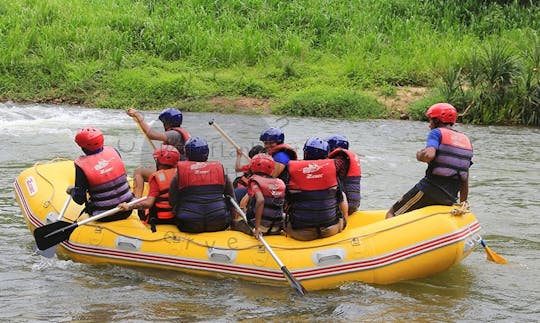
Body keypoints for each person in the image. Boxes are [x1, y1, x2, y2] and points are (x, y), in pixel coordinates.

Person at [386, 103, 473, 219]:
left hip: (430, 189)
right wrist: (463, 202)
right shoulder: (466, 140)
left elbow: (429, 155)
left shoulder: (436, 133)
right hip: (450, 197)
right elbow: (465, 177)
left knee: (392, 213)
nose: (429, 125)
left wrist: (419, 155)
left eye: (431, 120)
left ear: (437, 120)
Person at [285, 137, 348, 241]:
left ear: (305, 154)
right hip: (331, 230)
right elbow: (341, 199)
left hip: (302, 234)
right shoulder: (331, 170)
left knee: (282, 217)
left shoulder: (293, 171)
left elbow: (286, 202)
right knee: (341, 196)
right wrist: (344, 220)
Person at [168, 136, 235, 233]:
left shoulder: (179, 173)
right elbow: (231, 199)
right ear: (207, 153)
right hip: (218, 223)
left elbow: (172, 201)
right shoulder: (220, 170)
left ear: (186, 153)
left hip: (188, 224)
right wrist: (233, 220)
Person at [67, 127, 134, 222]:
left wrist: (72, 191)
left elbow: (79, 200)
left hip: (104, 215)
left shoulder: (81, 166)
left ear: (82, 146)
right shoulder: (114, 151)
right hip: (128, 209)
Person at [126, 107, 191, 199]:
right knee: (149, 168)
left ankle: (136, 200)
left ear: (166, 123)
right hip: (179, 171)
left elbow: (151, 135)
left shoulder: (174, 134)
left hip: (175, 174)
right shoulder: (182, 132)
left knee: (139, 172)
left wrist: (138, 117)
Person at [118, 145, 180, 232]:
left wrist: (130, 206)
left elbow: (148, 204)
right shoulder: (182, 174)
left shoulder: (156, 178)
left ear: (159, 162)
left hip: (160, 219)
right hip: (177, 218)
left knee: (144, 209)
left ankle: (135, 202)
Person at [234, 153, 286, 238]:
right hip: (277, 228)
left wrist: (257, 227)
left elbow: (260, 200)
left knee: (234, 222)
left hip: (261, 229)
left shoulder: (254, 181)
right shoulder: (280, 182)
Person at [326, 134, 362, 215]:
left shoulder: (340, 160)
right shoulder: (347, 159)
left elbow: (325, 170)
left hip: (345, 205)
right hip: (353, 204)